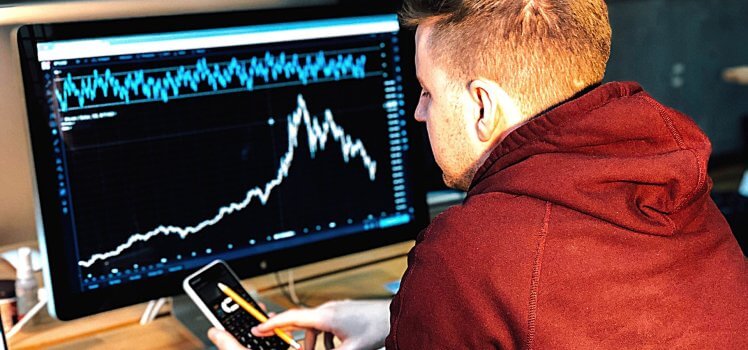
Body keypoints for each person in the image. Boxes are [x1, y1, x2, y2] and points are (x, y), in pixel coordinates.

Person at [210, 0, 748, 348]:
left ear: (482, 106)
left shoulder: (471, 253)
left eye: (426, 92)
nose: (418, 113)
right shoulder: (679, 187)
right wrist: (395, 317)